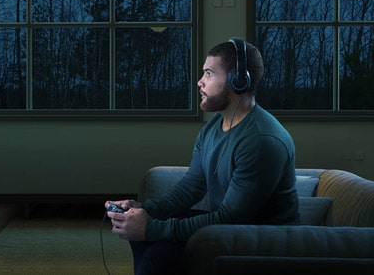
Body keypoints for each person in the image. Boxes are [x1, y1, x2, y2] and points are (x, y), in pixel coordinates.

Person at [105, 38, 298, 275]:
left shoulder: (261, 140)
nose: (200, 82)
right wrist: (145, 210)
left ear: (237, 80)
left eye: (208, 74)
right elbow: (192, 186)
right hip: (232, 225)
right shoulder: (214, 125)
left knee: (159, 255)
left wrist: (151, 228)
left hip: (262, 238)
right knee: (141, 232)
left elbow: (230, 219)